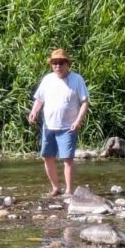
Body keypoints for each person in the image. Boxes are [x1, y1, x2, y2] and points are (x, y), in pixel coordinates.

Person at [27, 48, 89, 197]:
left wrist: (78, 121)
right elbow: (39, 99)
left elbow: (85, 102)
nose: (57, 66)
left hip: (68, 126)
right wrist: (34, 111)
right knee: (47, 157)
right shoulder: (48, 79)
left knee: (67, 159)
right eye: (54, 63)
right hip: (49, 126)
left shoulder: (77, 79)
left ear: (67, 64)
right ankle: (55, 188)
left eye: (61, 63)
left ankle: (68, 191)